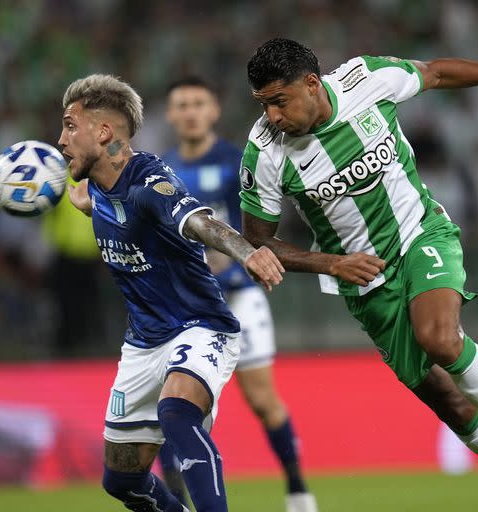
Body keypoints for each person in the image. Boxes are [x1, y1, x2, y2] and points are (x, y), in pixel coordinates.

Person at [239, 38, 478, 512]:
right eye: (264, 105)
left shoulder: (365, 80)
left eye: (279, 101)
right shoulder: (265, 151)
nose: (273, 117)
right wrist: (332, 263)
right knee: (452, 403)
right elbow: (259, 239)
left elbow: (437, 72)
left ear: (312, 84)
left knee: (439, 338)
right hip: (364, 280)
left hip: (420, 234)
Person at [59, 73, 284, 512]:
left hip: (200, 326)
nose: (61, 140)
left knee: (177, 412)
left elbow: (199, 222)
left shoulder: (151, 182)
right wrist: (92, 206)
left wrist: (246, 252)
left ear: (103, 132)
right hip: (143, 342)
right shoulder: (101, 186)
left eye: (70, 126)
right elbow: (123, 217)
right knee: (122, 479)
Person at [158, 76, 318, 512]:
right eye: (181, 104)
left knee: (263, 402)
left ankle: (297, 486)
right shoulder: (160, 171)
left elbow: (255, 228)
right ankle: (177, 498)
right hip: (186, 306)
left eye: (198, 103)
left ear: (213, 111)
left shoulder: (237, 160)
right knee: (171, 406)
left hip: (239, 298)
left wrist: (229, 262)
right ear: (171, 115)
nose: (190, 111)